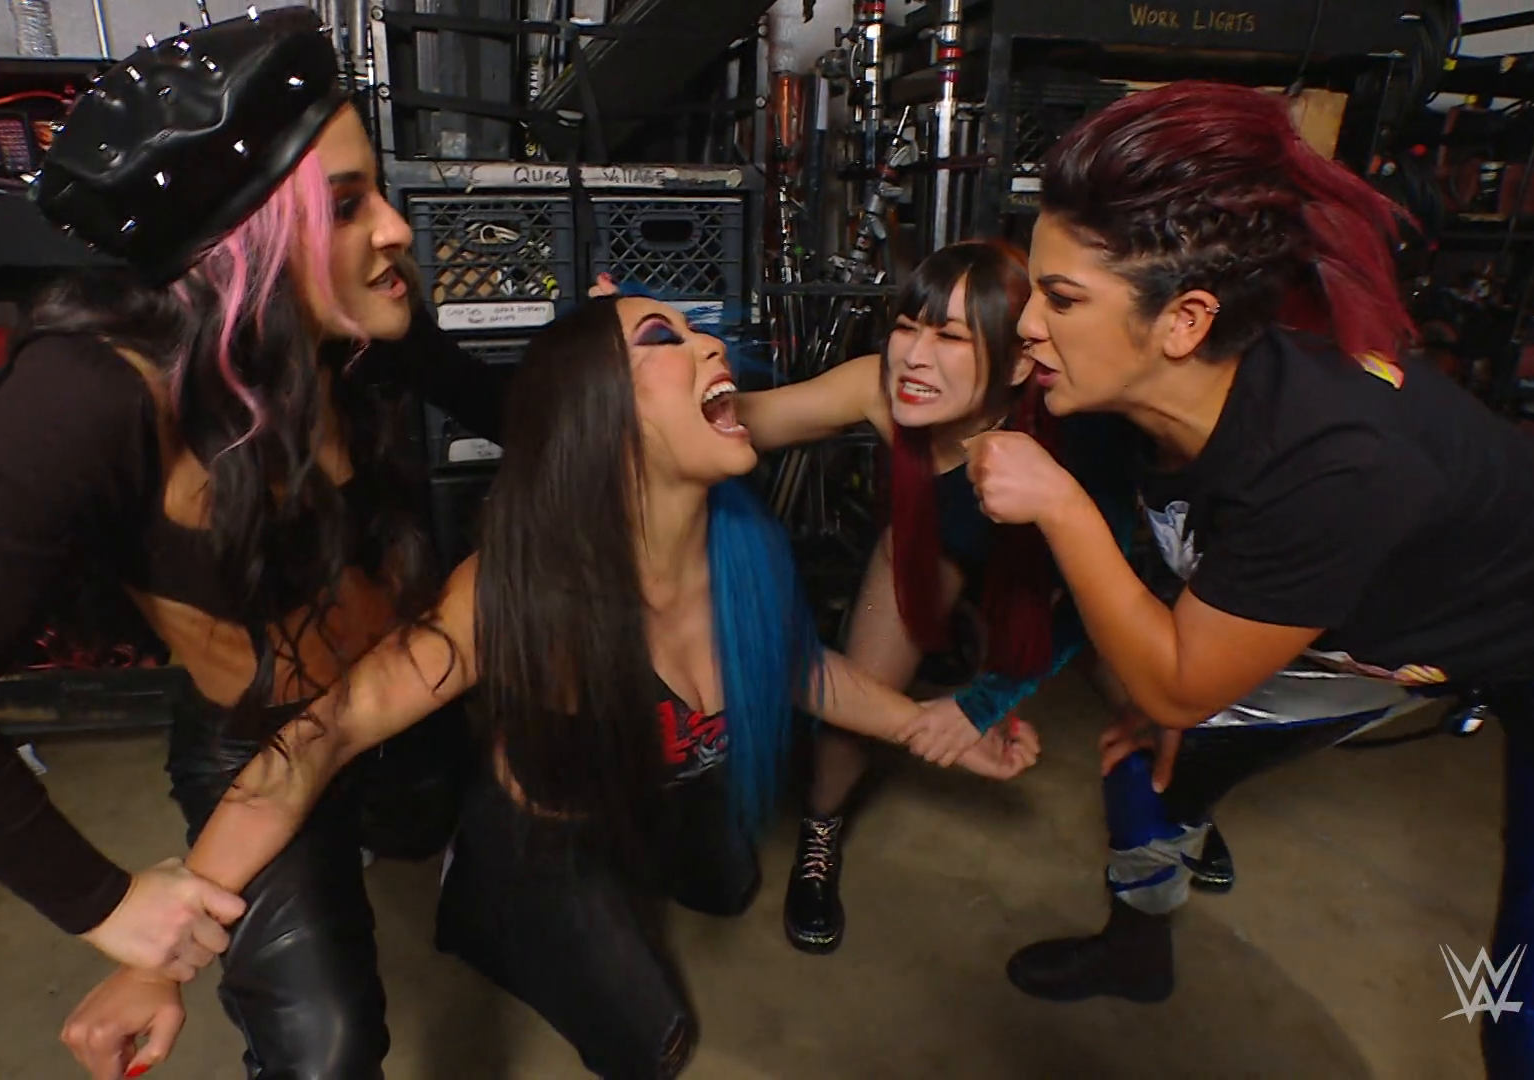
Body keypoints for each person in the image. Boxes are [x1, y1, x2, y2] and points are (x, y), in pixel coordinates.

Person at [57, 295, 1035, 1078]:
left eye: (696, 330)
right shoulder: (526, 590)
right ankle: (479, 886)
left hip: (666, 787)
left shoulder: (739, 546)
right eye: (663, 338)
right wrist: (155, 958)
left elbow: (796, 667)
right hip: (550, 835)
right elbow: (326, 734)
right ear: (600, 416)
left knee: (730, 885)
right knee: (651, 1047)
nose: (711, 344)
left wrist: (932, 723)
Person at [0, 11, 503, 1077]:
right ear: (242, 243)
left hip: (412, 692)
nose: (397, 231)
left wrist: (614, 373)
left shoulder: (354, 316)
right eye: (345, 205)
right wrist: (110, 909)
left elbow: (512, 411)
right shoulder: (88, 397)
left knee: (529, 873)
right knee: (326, 1052)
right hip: (261, 744)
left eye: (376, 192)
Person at [948, 81, 1534, 1076]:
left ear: (1184, 321)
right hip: (1398, 630)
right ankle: (1138, 948)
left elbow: (1178, 681)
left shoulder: (1332, 459)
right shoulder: (1134, 406)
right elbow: (1164, 639)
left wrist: (1060, 506)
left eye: (1062, 300)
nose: (1027, 323)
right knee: (1147, 762)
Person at [600, 243, 1151, 952]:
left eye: (950, 337)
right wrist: (622, 370)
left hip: (1058, 567)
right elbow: (741, 420)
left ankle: (1179, 820)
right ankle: (821, 831)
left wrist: (986, 703)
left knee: (1150, 695)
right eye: (907, 327)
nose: (913, 358)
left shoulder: (1079, 424)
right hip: (930, 545)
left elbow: (1091, 604)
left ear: (1019, 364)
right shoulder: (880, 389)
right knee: (856, 701)